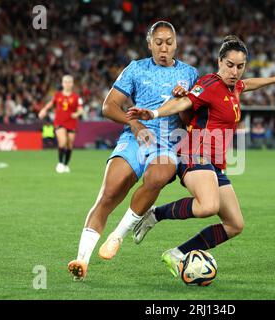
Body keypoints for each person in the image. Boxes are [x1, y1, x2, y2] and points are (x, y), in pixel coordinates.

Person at [127, 35, 275, 277]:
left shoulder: (235, 86)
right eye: (229, 65)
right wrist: (152, 114)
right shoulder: (209, 84)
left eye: (240, 66)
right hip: (194, 153)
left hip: (215, 164)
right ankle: (155, 214)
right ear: (219, 62)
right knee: (209, 205)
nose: (234, 71)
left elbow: (249, 83)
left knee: (235, 225)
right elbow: (182, 103)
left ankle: (177, 253)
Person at [67, 21, 198, 280]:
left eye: (169, 42)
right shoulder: (136, 69)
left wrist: (184, 102)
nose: (164, 48)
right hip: (135, 138)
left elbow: (191, 120)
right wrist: (134, 124)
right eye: (158, 42)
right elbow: (109, 106)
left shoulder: (190, 74)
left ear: (176, 44)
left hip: (169, 141)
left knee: (159, 176)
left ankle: (118, 235)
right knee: (108, 195)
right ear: (149, 44)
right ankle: (81, 260)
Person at [38, 75, 83, 173]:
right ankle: (60, 163)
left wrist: (77, 113)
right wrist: (44, 110)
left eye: (69, 82)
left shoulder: (76, 97)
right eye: (65, 82)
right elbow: (50, 103)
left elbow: (80, 109)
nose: (67, 84)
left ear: (72, 84)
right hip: (59, 122)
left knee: (69, 145)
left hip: (71, 122)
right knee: (62, 142)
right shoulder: (57, 95)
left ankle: (66, 164)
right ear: (62, 84)